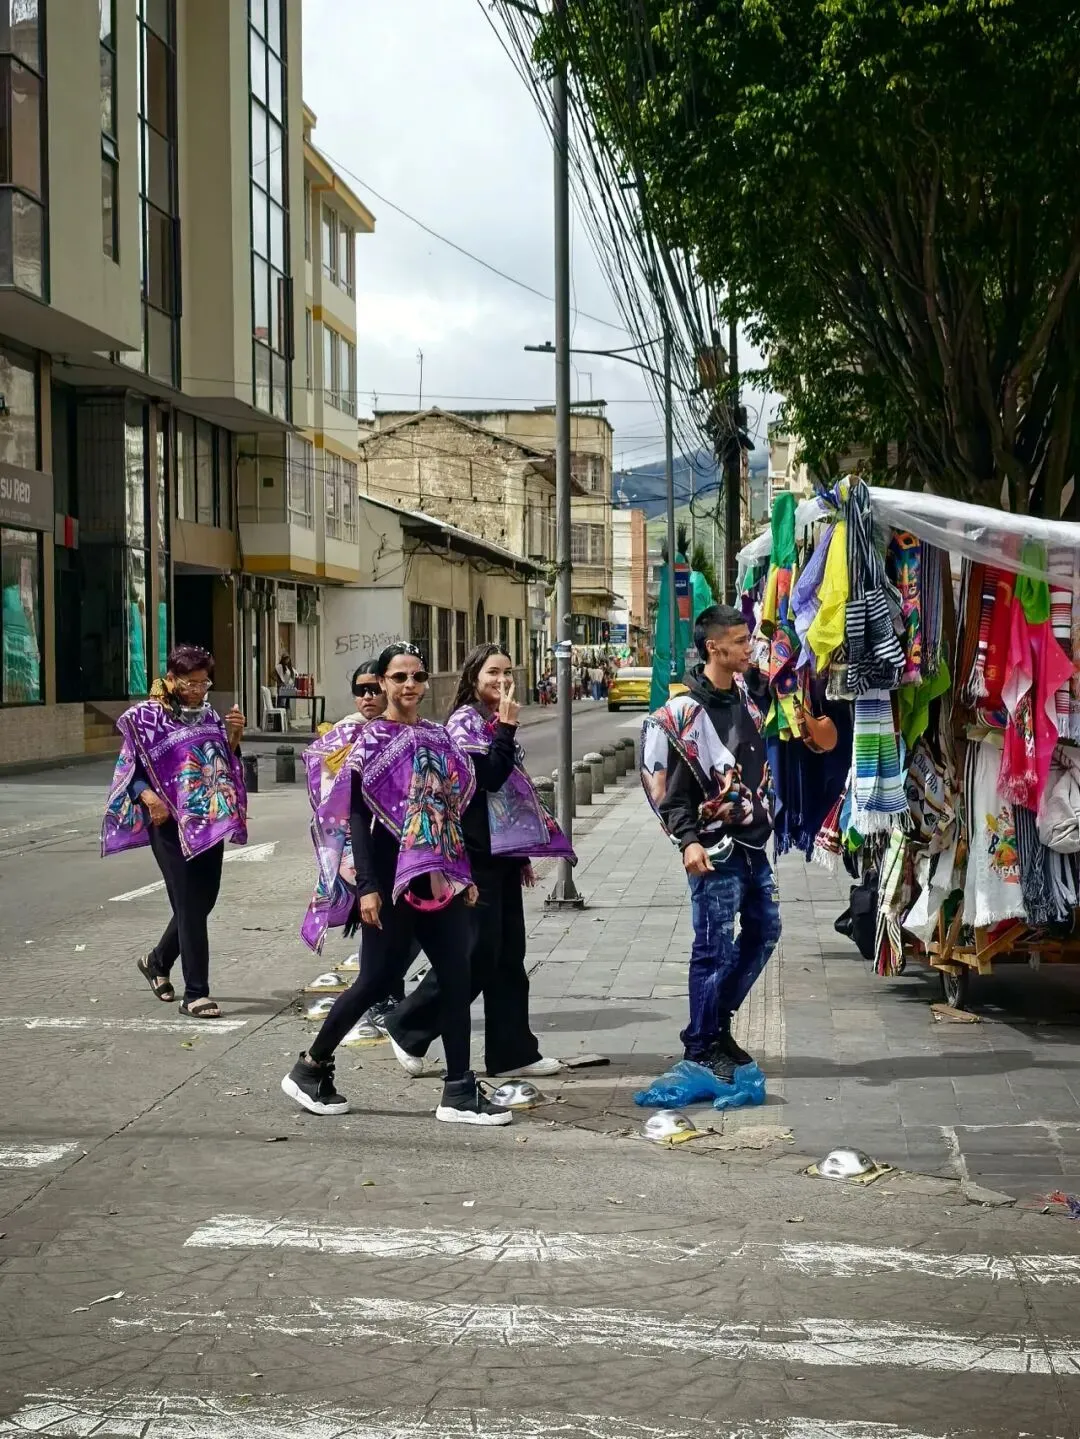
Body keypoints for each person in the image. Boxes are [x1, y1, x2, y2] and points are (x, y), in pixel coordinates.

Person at [283, 642, 511, 1126]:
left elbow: (453, 805)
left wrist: (462, 872)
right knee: (374, 981)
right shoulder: (368, 740)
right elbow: (357, 819)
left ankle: (459, 1090)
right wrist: (367, 886)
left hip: (437, 878)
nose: (410, 685)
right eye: (399, 677)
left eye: (418, 676)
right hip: (388, 881)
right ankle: (311, 1067)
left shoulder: (437, 736)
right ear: (384, 683)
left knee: (456, 978)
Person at [385, 644, 573, 1080]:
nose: (502, 680)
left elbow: (510, 797)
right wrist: (506, 728)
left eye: (508, 672)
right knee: (477, 952)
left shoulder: (490, 720)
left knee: (509, 955)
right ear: (473, 678)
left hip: (500, 853)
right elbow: (487, 778)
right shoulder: (464, 724)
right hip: (471, 855)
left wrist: (520, 853)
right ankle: (407, 1026)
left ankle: (513, 1052)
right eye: (492, 672)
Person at [641, 604, 780, 1079]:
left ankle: (715, 1024)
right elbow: (670, 792)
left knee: (765, 931)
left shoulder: (748, 697)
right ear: (713, 647)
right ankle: (701, 1046)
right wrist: (687, 841)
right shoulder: (684, 714)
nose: (749, 648)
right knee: (713, 947)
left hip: (754, 844)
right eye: (740, 641)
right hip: (714, 849)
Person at [101, 643, 247, 1020]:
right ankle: (195, 993)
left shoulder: (209, 715)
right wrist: (150, 798)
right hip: (167, 824)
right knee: (189, 905)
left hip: (207, 820)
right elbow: (130, 772)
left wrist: (233, 736)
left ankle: (156, 961)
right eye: (190, 683)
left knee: (204, 900)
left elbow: (222, 762)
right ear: (171, 679)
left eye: (203, 683)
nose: (197, 690)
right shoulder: (147, 718)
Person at [306, 659, 407, 1032]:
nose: (367, 697)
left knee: (399, 928)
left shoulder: (403, 730)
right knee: (377, 923)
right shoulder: (340, 736)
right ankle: (379, 998)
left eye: (374, 690)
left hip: (399, 844)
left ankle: (387, 994)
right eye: (360, 691)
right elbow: (325, 794)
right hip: (356, 845)